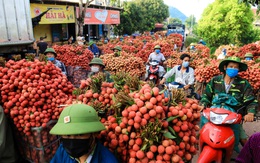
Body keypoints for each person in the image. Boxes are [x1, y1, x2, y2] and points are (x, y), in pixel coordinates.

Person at [200, 56, 258, 146]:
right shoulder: (215, 81)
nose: (233, 69)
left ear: (238, 69)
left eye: (236, 67)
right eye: (231, 66)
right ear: (225, 67)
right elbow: (206, 96)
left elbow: (251, 101)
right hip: (214, 114)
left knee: (243, 139)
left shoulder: (243, 83)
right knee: (202, 132)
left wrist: (250, 113)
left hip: (232, 117)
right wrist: (203, 104)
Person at [50, 104, 118, 163]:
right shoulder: (63, 150)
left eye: (80, 134)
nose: (72, 143)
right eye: (67, 135)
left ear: (94, 134)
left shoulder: (107, 160)